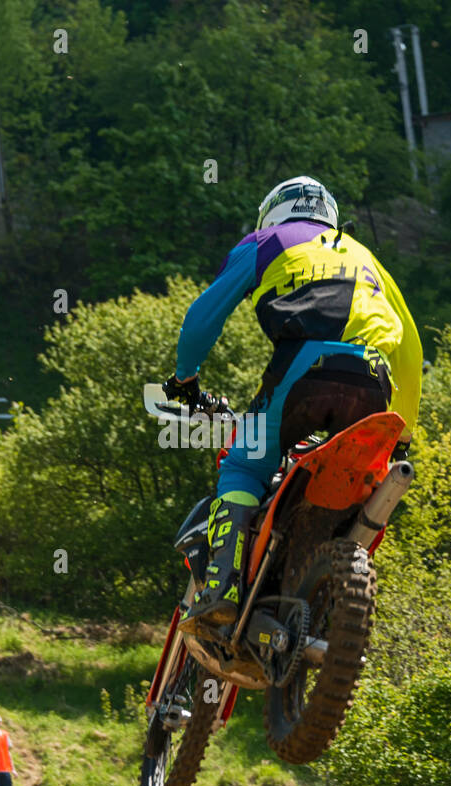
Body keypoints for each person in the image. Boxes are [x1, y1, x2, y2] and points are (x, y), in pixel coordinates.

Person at [164, 175, 423, 633]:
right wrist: (402, 434)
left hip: (303, 371)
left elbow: (203, 316)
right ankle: (325, 598)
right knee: (361, 488)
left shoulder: (265, 242)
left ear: (272, 213)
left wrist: (186, 380)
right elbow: (409, 352)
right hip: (373, 382)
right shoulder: (367, 258)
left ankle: (221, 589)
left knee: (244, 465)